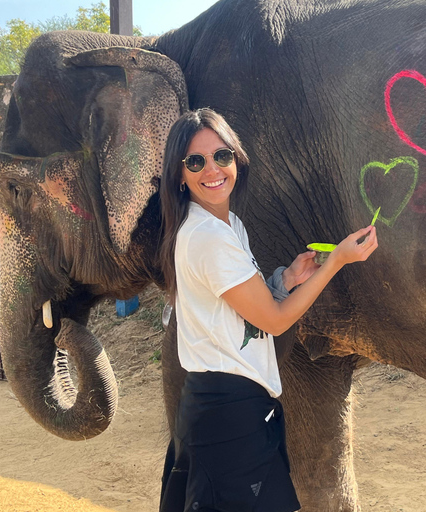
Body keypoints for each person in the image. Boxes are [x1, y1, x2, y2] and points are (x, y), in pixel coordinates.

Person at [157, 108, 378, 512]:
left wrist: (286, 279)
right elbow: (274, 321)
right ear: (180, 174)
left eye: (221, 156)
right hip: (227, 412)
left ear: (235, 158)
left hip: (232, 408)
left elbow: (240, 308)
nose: (212, 169)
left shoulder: (227, 225)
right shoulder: (208, 237)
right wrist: (336, 263)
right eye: (195, 161)